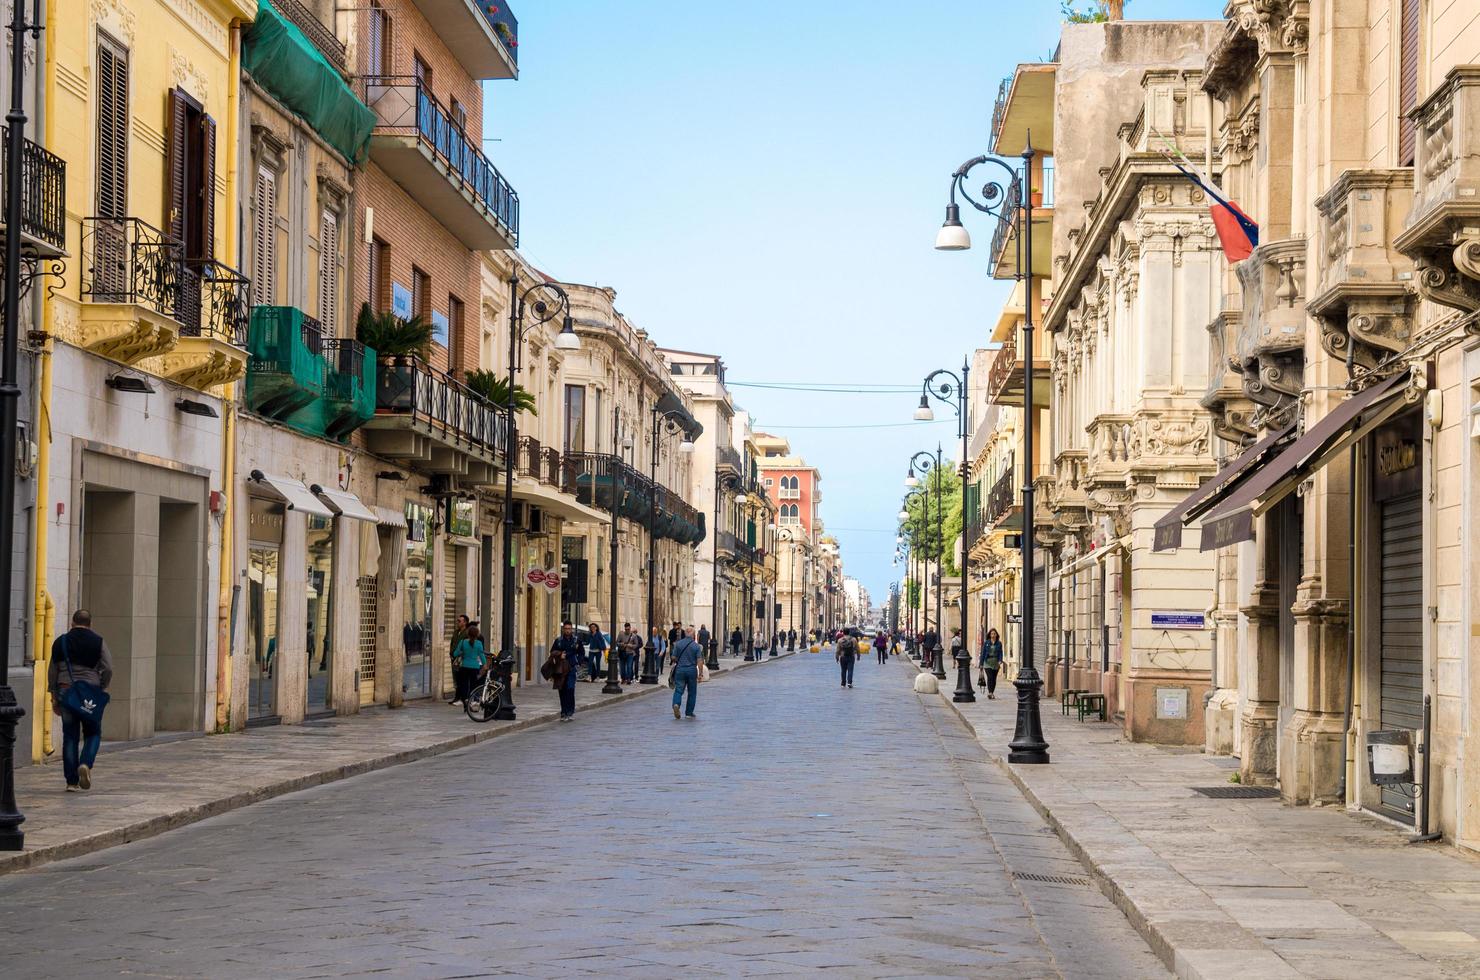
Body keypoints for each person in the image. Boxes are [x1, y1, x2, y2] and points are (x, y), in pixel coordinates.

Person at [49, 609, 113, 792]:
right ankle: (85, 763)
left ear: (72, 623)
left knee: (70, 736)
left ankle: (71, 781)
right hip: (90, 693)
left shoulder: (60, 642)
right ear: (90, 624)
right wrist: (101, 686)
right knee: (93, 732)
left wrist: (54, 696)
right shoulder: (98, 641)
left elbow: (52, 671)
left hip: (66, 692)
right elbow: (108, 667)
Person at [549, 621, 584, 721]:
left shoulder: (576, 640)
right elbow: (552, 652)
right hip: (561, 669)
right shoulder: (558, 641)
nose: (568, 630)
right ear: (563, 629)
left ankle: (570, 711)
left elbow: (581, 652)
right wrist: (560, 654)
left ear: (571, 629)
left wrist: (578, 661)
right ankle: (563, 712)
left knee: (570, 688)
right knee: (562, 690)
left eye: (569, 629)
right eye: (566, 629)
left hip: (571, 668)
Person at [670, 626, 704, 719]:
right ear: (693, 635)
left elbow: (673, 657)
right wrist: (700, 674)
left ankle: (676, 704)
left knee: (678, 690)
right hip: (691, 671)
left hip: (680, 670)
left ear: (685, 634)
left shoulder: (678, 644)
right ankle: (689, 713)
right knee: (692, 692)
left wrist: (678, 660)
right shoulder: (696, 646)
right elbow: (699, 661)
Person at [452, 625, 486, 706]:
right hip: (475, 667)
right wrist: (485, 665)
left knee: (464, 684)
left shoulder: (463, 642)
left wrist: (462, 652)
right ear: (477, 634)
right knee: (473, 684)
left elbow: (455, 654)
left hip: (464, 666)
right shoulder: (479, 643)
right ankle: (472, 699)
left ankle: (465, 700)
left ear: (468, 633)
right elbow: (482, 656)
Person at [447, 614, 471, 704]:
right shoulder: (456, 632)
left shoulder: (467, 633)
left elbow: (467, 646)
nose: (457, 622)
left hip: (461, 659)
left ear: (465, 622)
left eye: (459, 621)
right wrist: (451, 653)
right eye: (457, 620)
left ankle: (461, 697)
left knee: (461, 678)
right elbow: (452, 643)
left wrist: (461, 654)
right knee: (455, 678)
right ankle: (457, 697)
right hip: (454, 658)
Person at [980, 628, 1004, 699]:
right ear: (990, 635)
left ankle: (992, 692)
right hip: (987, 662)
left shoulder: (999, 643)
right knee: (990, 677)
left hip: (995, 663)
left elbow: (1000, 652)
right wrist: (981, 664)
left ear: (996, 635)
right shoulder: (986, 643)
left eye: (994, 634)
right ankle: (990, 692)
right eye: (992, 634)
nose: (993, 635)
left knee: (994, 678)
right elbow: (983, 653)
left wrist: (1000, 660)